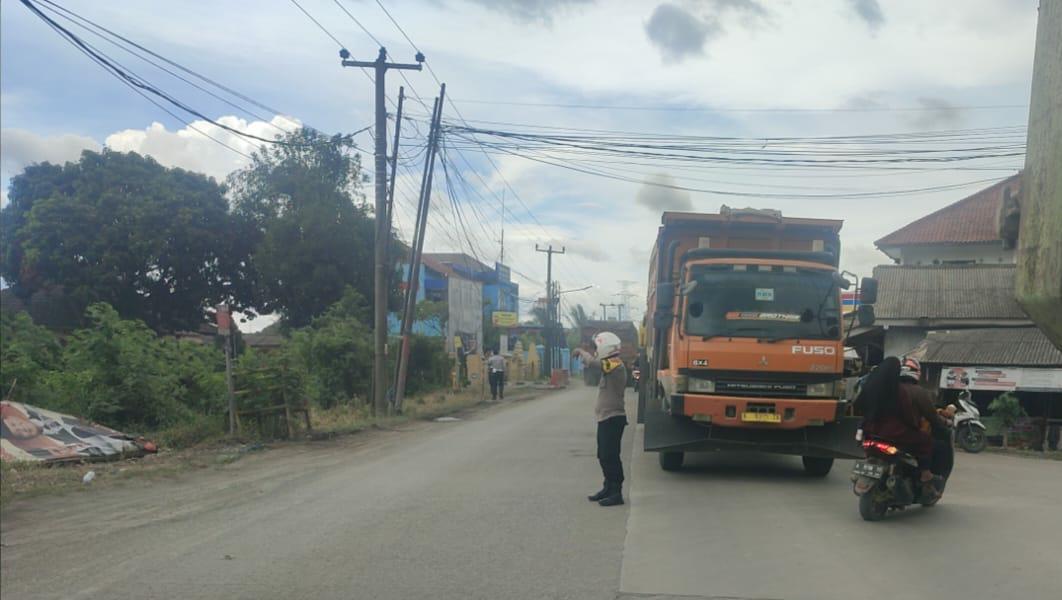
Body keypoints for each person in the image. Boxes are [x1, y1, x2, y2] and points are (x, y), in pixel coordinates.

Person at [857, 357, 949, 491]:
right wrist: (942, 425)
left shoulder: (878, 389)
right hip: (897, 434)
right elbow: (928, 416)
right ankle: (925, 473)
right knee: (926, 441)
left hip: (872, 431)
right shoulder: (912, 391)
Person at [575, 331, 628, 507]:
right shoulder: (610, 365)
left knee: (610, 455)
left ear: (606, 347)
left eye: (598, 347)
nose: (596, 351)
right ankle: (608, 487)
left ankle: (616, 492)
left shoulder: (615, 363)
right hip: (605, 418)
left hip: (613, 418)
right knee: (603, 455)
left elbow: (593, 363)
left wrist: (582, 352)